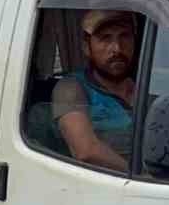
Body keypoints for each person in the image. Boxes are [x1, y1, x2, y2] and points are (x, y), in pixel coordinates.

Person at [54, 9, 138, 172]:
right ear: (87, 47)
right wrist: (142, 176)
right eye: (105, 39)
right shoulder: (71, 88)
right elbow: (86, 151)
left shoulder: (147, 85)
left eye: (124, 37)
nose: (117, 49)